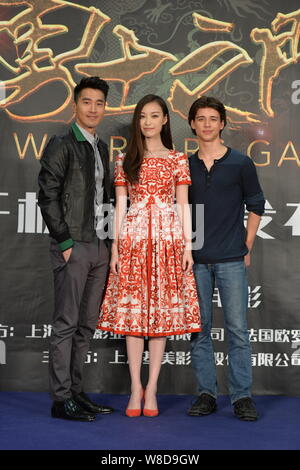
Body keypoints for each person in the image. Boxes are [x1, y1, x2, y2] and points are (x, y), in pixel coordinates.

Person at [97, 94, 201, 417]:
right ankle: (134, 387)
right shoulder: (124, 158)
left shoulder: (177, 159)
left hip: (169, 239)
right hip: (134, 238)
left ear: (166, 120)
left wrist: (187, 246)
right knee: (133, 316)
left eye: (154, 116)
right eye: (143, 116)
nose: (148, 122)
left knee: (159, 318)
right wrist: (116, 246)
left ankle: (152, 387)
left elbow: (183, 205)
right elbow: (120, 206)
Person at [38, 76, 113, 422]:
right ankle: (60, 398)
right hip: (73, 245)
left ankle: (77, 392)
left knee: (86, 324)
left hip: (99, 245)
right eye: (87, 102)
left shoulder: (100, 145)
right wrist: (65, 242)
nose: (93, 108)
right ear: (75, 105)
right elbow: (47, 195)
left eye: (99, 103)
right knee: (67, 323)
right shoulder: (62, 143)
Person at [187, 96, 265, 421]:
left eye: (212, 118)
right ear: (192, 124)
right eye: (200, 118)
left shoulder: (241, 163)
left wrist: (245, 245)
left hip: (232, 258)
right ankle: (206, 394)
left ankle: (241, 397)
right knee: (199, 330)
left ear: (222, 123)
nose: (206, 124)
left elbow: (256, 204)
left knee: (237, 330)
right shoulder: (184, 165)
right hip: (194, 259)